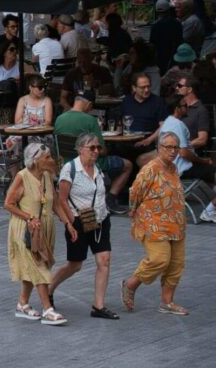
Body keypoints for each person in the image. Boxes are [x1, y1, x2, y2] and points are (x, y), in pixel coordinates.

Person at [50, 132, 120, 320]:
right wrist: (72, 222)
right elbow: (61, 199)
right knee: (75, 265)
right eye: (92, 148)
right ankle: (49, 288)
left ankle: (98, 305)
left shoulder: (97, 168)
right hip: (78, 220)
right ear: (80, 149)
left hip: (100, 218)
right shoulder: (70, 169)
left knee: (104, 260)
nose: (96, 151)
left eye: (98, 147)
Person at [122, 132, 189, 315]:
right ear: (159, 148)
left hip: (176, 223)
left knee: (176, 264)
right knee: (159, 259)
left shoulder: (173, 168)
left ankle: (167, 302)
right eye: (168, 147)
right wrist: (134, 211)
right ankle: (131, 284)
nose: (172, 151)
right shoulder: (150, 168)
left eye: (175, 147)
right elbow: (135, 192)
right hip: (153, 222)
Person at [4, 142, 66, 325]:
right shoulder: (22, 177)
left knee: (35, 266)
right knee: (40, 268)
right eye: (47, 157)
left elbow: (54, 203)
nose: (51, 160)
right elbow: (8, 204)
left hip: (44, 229)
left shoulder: (47, 176)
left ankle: (22, 304)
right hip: (26, 229)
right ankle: (48, 309)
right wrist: (28, 217)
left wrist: (68, 223)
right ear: (35, 160)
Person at [54, 95, 131, 214]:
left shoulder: (59, 118)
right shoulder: (90, 120)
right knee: (128, 165)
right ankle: (110, 200)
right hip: (90, 163)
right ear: (89, 105)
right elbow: (101, 149)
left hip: (65, 162)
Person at [120, 74, 167, 149]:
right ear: (134, 88)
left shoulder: (158, 101)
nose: (146, 90)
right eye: (143, 87)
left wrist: (149, 140)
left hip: (148, 141)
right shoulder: (126, 101)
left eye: (148, 86)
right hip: (127, 140)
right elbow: (120, 123)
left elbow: (163, 126)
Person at [150, 0, 183, 74]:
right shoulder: (177, 23)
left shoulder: (156, 26)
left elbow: (152, 44)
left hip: (160, 56)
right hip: (175, 55)